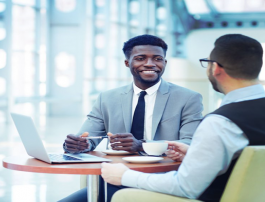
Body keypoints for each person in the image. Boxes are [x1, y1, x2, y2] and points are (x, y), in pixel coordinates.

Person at [101, 34, 265, 202]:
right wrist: (195, 153)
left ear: (215, 68)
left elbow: (185, 187)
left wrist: (125, 175)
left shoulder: (220, 123)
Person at [60, 34, 203, 201]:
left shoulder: (188, 98)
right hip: (114, 179)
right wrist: (77, 144)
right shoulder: (107, 98)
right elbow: (88, 137)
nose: (150, 64)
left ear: (164, 62)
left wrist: (142, 145)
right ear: (127, 63)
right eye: (141, 58)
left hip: (162, 180)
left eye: (157, 58)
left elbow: (189, 143)